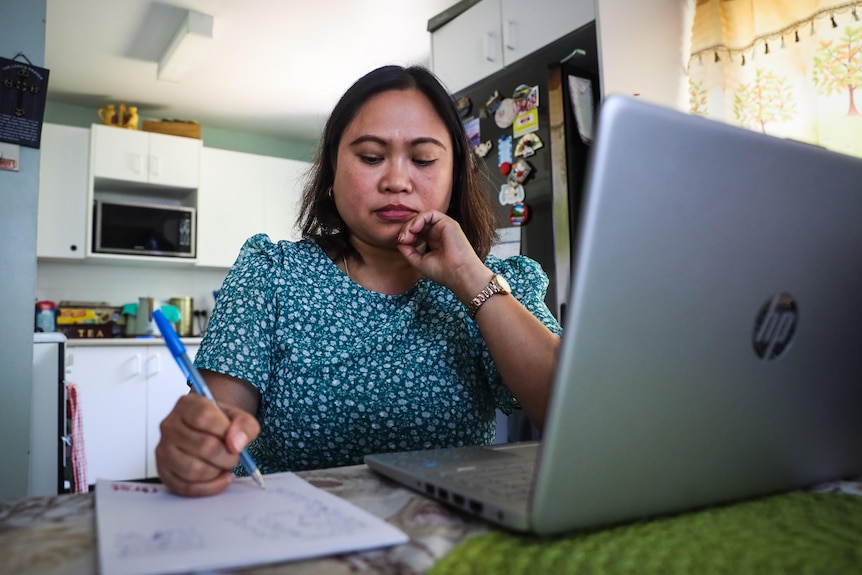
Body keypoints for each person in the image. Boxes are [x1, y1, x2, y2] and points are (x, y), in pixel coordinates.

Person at [156, 65, 562, 497]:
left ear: (454, 174)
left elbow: (570, 412)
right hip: (292, 535)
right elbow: (217, 420)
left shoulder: (495, 284)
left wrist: (470, 279)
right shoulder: (270, 275)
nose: (397, 182)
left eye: (423, 160)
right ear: (332, 170)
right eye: (371, 157)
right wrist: (196, 445)